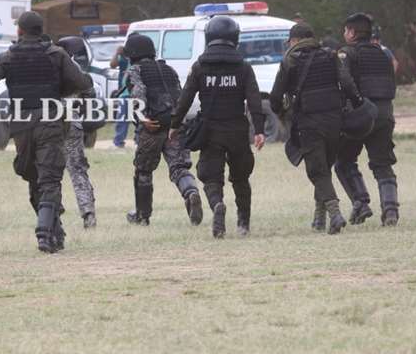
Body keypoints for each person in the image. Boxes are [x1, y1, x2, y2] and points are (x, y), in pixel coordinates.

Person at [0, 11, 93, 253]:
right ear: (41, 30)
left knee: (33, 175)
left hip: (21, 126)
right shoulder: (56, 55)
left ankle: (53, 233)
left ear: (20, 31)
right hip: (50, 123)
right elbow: (82, 82)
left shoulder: (8, 57)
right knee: (49, 178)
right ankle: (44, 231)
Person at [170, 17, 266, 238]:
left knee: (211, 176)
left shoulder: (200, 67)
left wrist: (174, 125)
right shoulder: (243, 68)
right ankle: (243, 223)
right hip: (237, 130)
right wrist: (259, 130)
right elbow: (254, 101)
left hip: (210, 131)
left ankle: (217, 205)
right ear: (236, 38)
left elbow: (184, 99)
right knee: (241, 177)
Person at [269, 23, 361, 234]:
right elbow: (347, 84)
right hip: (334, 120)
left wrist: (283, 114)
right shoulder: (330, 56)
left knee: (317, 171)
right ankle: (319, 219)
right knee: (324, 168)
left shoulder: (289, 60)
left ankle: (335, 214)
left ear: (294, 41)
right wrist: (357, 104)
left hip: (308, 121)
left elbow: (275, 97)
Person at [122, 34, 203, 227]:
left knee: (143, 171)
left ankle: (143, 216)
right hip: (175, 125)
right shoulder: (169, 69)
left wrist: (143, 118)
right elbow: (181, 95)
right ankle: (191, 193)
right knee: (179, 168)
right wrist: (178, 121)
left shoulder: (135, 70)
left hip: (152, 126)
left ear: (132, 54)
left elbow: (138, 94)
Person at [335, 13, 400, 226]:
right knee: (382, 163)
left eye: (345, 30)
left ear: (352, 33)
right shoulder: (383, 54)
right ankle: (390, 210)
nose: (344, 34)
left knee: (344, 161)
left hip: (359, 114)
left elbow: (343, 83)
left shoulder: (347, 54)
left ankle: (360, 203)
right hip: (385, 114)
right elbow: (391, 83)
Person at [56, 36, 98, 229]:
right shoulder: (76, 69)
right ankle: (88, 212)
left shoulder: (50, 65)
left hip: (50, 123)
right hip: (72, 122)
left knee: (49, 170)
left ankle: (52, 211)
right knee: (77, 170)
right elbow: (90, 93)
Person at [110, 45, 130, 148]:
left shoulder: (139, 57)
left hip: (137, 92)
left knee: (140, 118)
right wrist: (117, 53)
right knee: (122, 117)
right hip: (124, 92)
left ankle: (138, 141)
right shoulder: (122, 56)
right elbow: (112, 65)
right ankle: (118, 141)